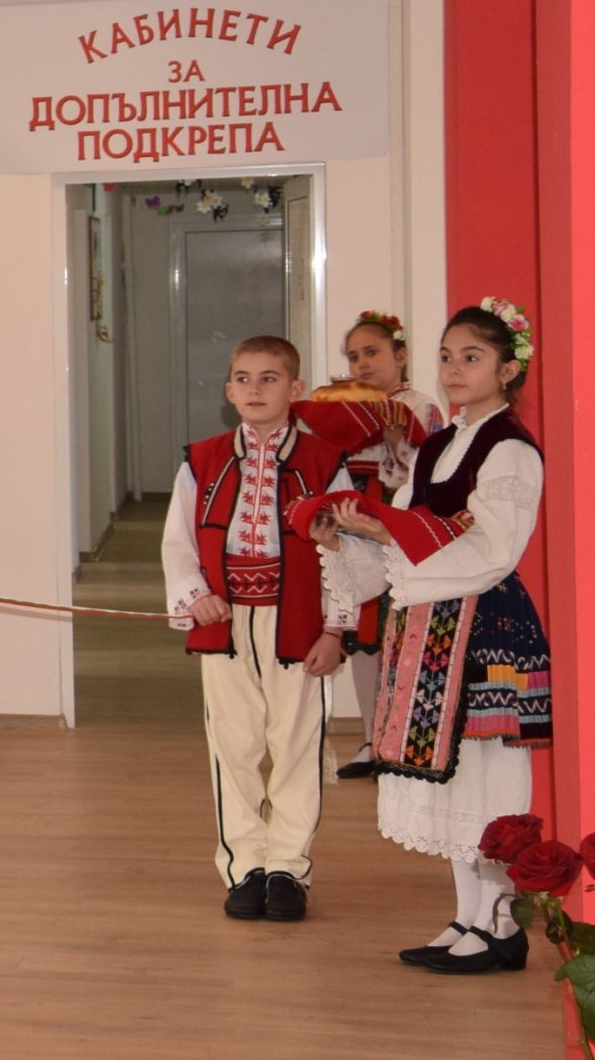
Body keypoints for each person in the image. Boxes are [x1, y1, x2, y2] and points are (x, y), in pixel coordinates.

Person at [317, 301, 552, 973]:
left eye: (471, 358)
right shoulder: (437, 447)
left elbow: (495, 549)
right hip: (432, 628)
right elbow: (402, 537)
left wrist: (388, 532)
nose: (453, 369)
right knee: (449, 777)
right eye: (447, 357)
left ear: (507, 369)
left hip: (486, 629)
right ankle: (467, 914)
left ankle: (501, 923)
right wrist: (349, 539)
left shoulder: (510, 449)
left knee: (488, 774)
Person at [159, 335, 356, 922]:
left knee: (296, 744)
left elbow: (349, 552)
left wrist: (335, 629)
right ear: (228, 390)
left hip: (298, 624)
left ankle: (288, 867)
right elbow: (177, 541)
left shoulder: (326, 463)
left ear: (296, 389)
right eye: (243, 379)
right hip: (225, 621)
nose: (255, 389)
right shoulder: (201, 461)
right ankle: (244, 865)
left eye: (270, 378)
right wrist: (196, 596)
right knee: (233, 745)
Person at [328, 311, 443, 781]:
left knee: (402, 631)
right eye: (354, 356)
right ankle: (371, 740)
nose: (362, 364)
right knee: (364, 634)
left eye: (372, 353)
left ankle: (403, 742)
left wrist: (398, 441)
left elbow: (432, 474)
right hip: (356, 522)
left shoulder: (420, 405)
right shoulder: (348, 406)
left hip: (399, 522)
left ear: (400, 355)